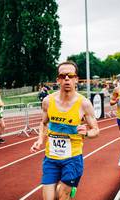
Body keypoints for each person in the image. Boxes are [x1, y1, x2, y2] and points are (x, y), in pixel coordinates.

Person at [30, 61, 99, 200]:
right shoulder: (48, 101)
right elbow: (43, 123)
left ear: (76, 79)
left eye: (70, 75)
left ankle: (68, 189)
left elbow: (96, 130)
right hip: (51, 158)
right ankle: (68, 189)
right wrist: (39, 140)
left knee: (62, 196)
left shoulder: (84, 104)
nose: (66, 78)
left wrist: (86, 133)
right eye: (63, 76)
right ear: (58, 80)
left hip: (72, 159)